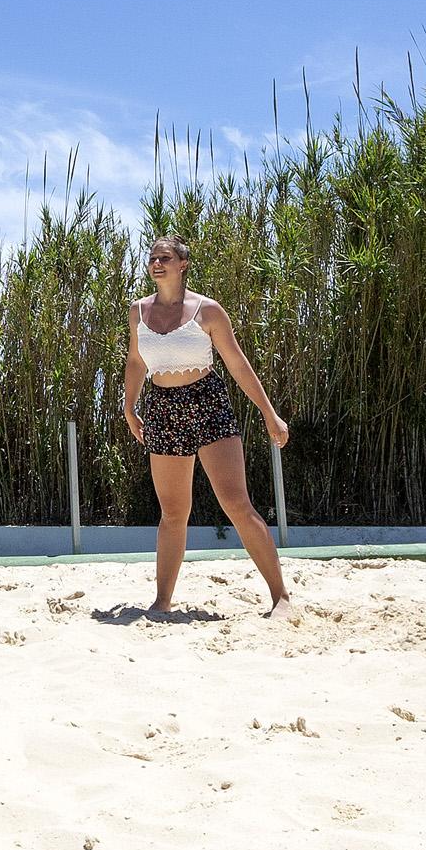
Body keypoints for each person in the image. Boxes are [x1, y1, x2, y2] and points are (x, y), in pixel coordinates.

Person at [122, 236, 291, 615]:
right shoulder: (138, 312)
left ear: (183, 264)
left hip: (208, 402)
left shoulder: (208, 310)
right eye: (152, 258)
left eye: (164, 258)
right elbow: (136, 362)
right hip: (162, 407)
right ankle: (162, 601)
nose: (156, 264)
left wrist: (268, 412)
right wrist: (129, 406)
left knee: (236, 503)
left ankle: (280, 596)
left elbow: (236, 362)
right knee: (172, 512)